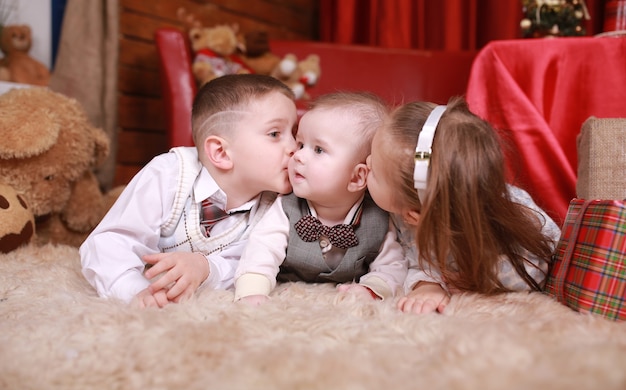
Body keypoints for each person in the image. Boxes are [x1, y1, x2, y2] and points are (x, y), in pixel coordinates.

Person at [80, 74, 298, 308]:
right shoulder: (169, 174)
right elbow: (111, 242)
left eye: (294, 134)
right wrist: (136, 290)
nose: (295, 148)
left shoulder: (278, 206)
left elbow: (250, 263)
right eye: (275, 134)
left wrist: (204, 267)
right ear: (221, 153)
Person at [365, 96, 561, 315]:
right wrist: (427, 284)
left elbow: (538, 268)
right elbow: (409, 262)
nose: (367, 162)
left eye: (375, 173)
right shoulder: (407, 211)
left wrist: (474, 284)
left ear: (415, 216)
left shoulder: (516, 248)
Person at [233, 92, 407, 305]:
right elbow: (261, 250)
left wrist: (372, 289)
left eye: (318, 149)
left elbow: (392, 265)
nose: (297, 155)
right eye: (300, 144)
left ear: (357, 176)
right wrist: (252, 290)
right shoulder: (286, 207)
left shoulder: (377, 217)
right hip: (290, 288)